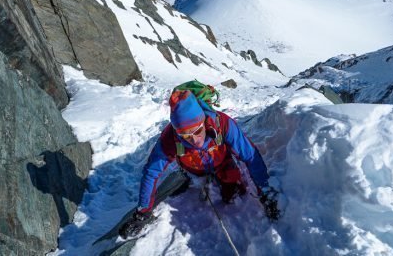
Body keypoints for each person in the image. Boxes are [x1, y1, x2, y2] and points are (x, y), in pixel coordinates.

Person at [119, 90, 282, 238]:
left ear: (203, 121)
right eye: (184, 134)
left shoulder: (222, 124)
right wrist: (143, 212)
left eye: (197, 130)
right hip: (192, 169)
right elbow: (151, 172)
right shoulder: (170, 138)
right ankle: (190, 178)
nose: (193, 139)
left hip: (222, 163)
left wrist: (265, 191)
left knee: (232, 193)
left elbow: (249, 155)